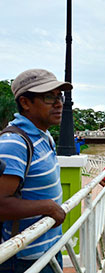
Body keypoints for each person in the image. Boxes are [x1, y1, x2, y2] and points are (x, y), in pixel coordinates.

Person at [0, 69, 70, 272]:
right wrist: (48, 207)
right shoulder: (14, 144)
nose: (58, 104)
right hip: (24, 259)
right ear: (25, 103)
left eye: (60, 97)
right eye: (49, 97)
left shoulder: (44, 136)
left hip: (48, 248)